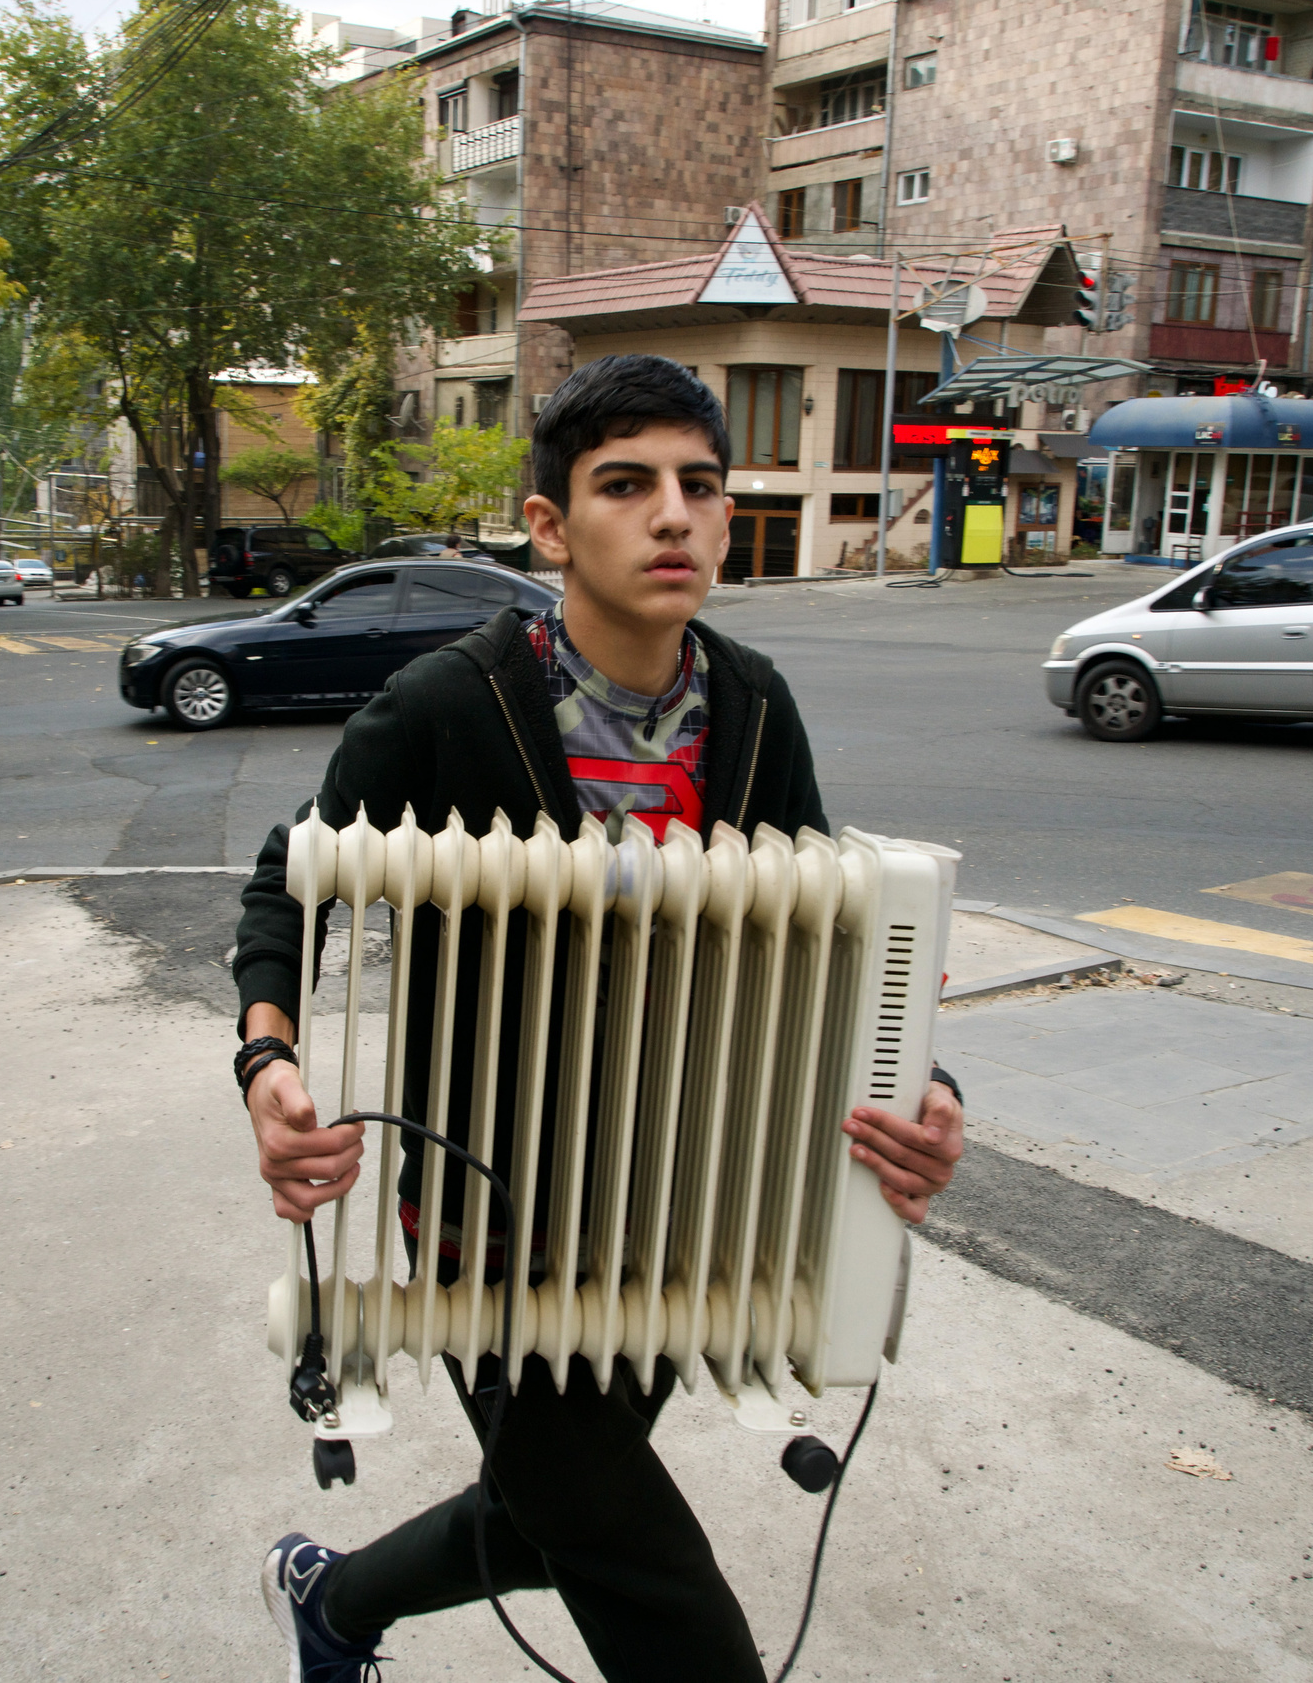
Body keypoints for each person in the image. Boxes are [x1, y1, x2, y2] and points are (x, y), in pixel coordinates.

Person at [233, 355, 965, 1683]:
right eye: (625, 486)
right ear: (553, 526)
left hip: (677, 1201)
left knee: (557, 1511)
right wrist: (269, 1056)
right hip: (488, 1218)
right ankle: (337, 1606)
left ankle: (334, 1604)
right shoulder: (449, 704)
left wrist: (924, 1080)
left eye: (700, 485)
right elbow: (290, 880)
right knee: (662, 1602)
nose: (671, 515)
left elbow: (826, 937)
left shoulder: (750, 709)